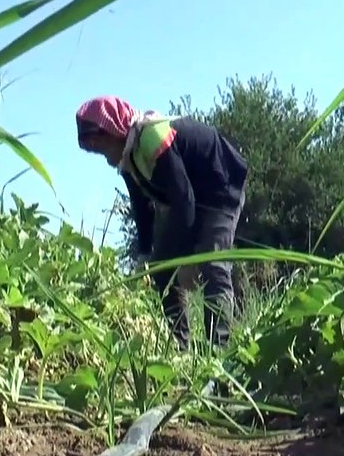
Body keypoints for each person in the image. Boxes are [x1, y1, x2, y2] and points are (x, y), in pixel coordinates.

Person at [75, 96, 248, 350]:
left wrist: (186, 261)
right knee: (160, 268)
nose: (104, 156)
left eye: (101, 148)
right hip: (191, 198)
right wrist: (144, 256)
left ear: (113, 131)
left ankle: (219, 352)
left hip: (220, 189)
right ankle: (181, 347)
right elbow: (142, 210)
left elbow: (184, 200)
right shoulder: (129, 159)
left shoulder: (152, 137)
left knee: (212, 263)